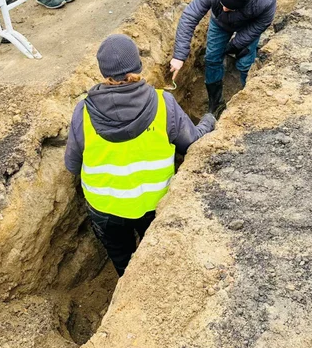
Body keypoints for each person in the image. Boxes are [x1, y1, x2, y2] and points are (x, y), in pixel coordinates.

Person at [65, 34, 216, 276]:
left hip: (106, 210)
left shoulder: (83, 111)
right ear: (138, 66)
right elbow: (192, 144)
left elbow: (72, 165)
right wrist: (208, 121)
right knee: (155, 257)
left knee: (123, 262)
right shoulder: (163, 102)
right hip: (155, 205)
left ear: (105, 74)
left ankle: (127, 281)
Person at [170, 0, 277, 118]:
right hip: (219, 23)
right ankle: (216, 103)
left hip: (248, 25)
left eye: (231, 8)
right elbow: (190, 16)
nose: (225, 8)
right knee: (212, 58)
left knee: (245, 63)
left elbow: (260, 24)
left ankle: (248, 102)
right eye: (223, 4)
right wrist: (179, 56)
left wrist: (235, 45)